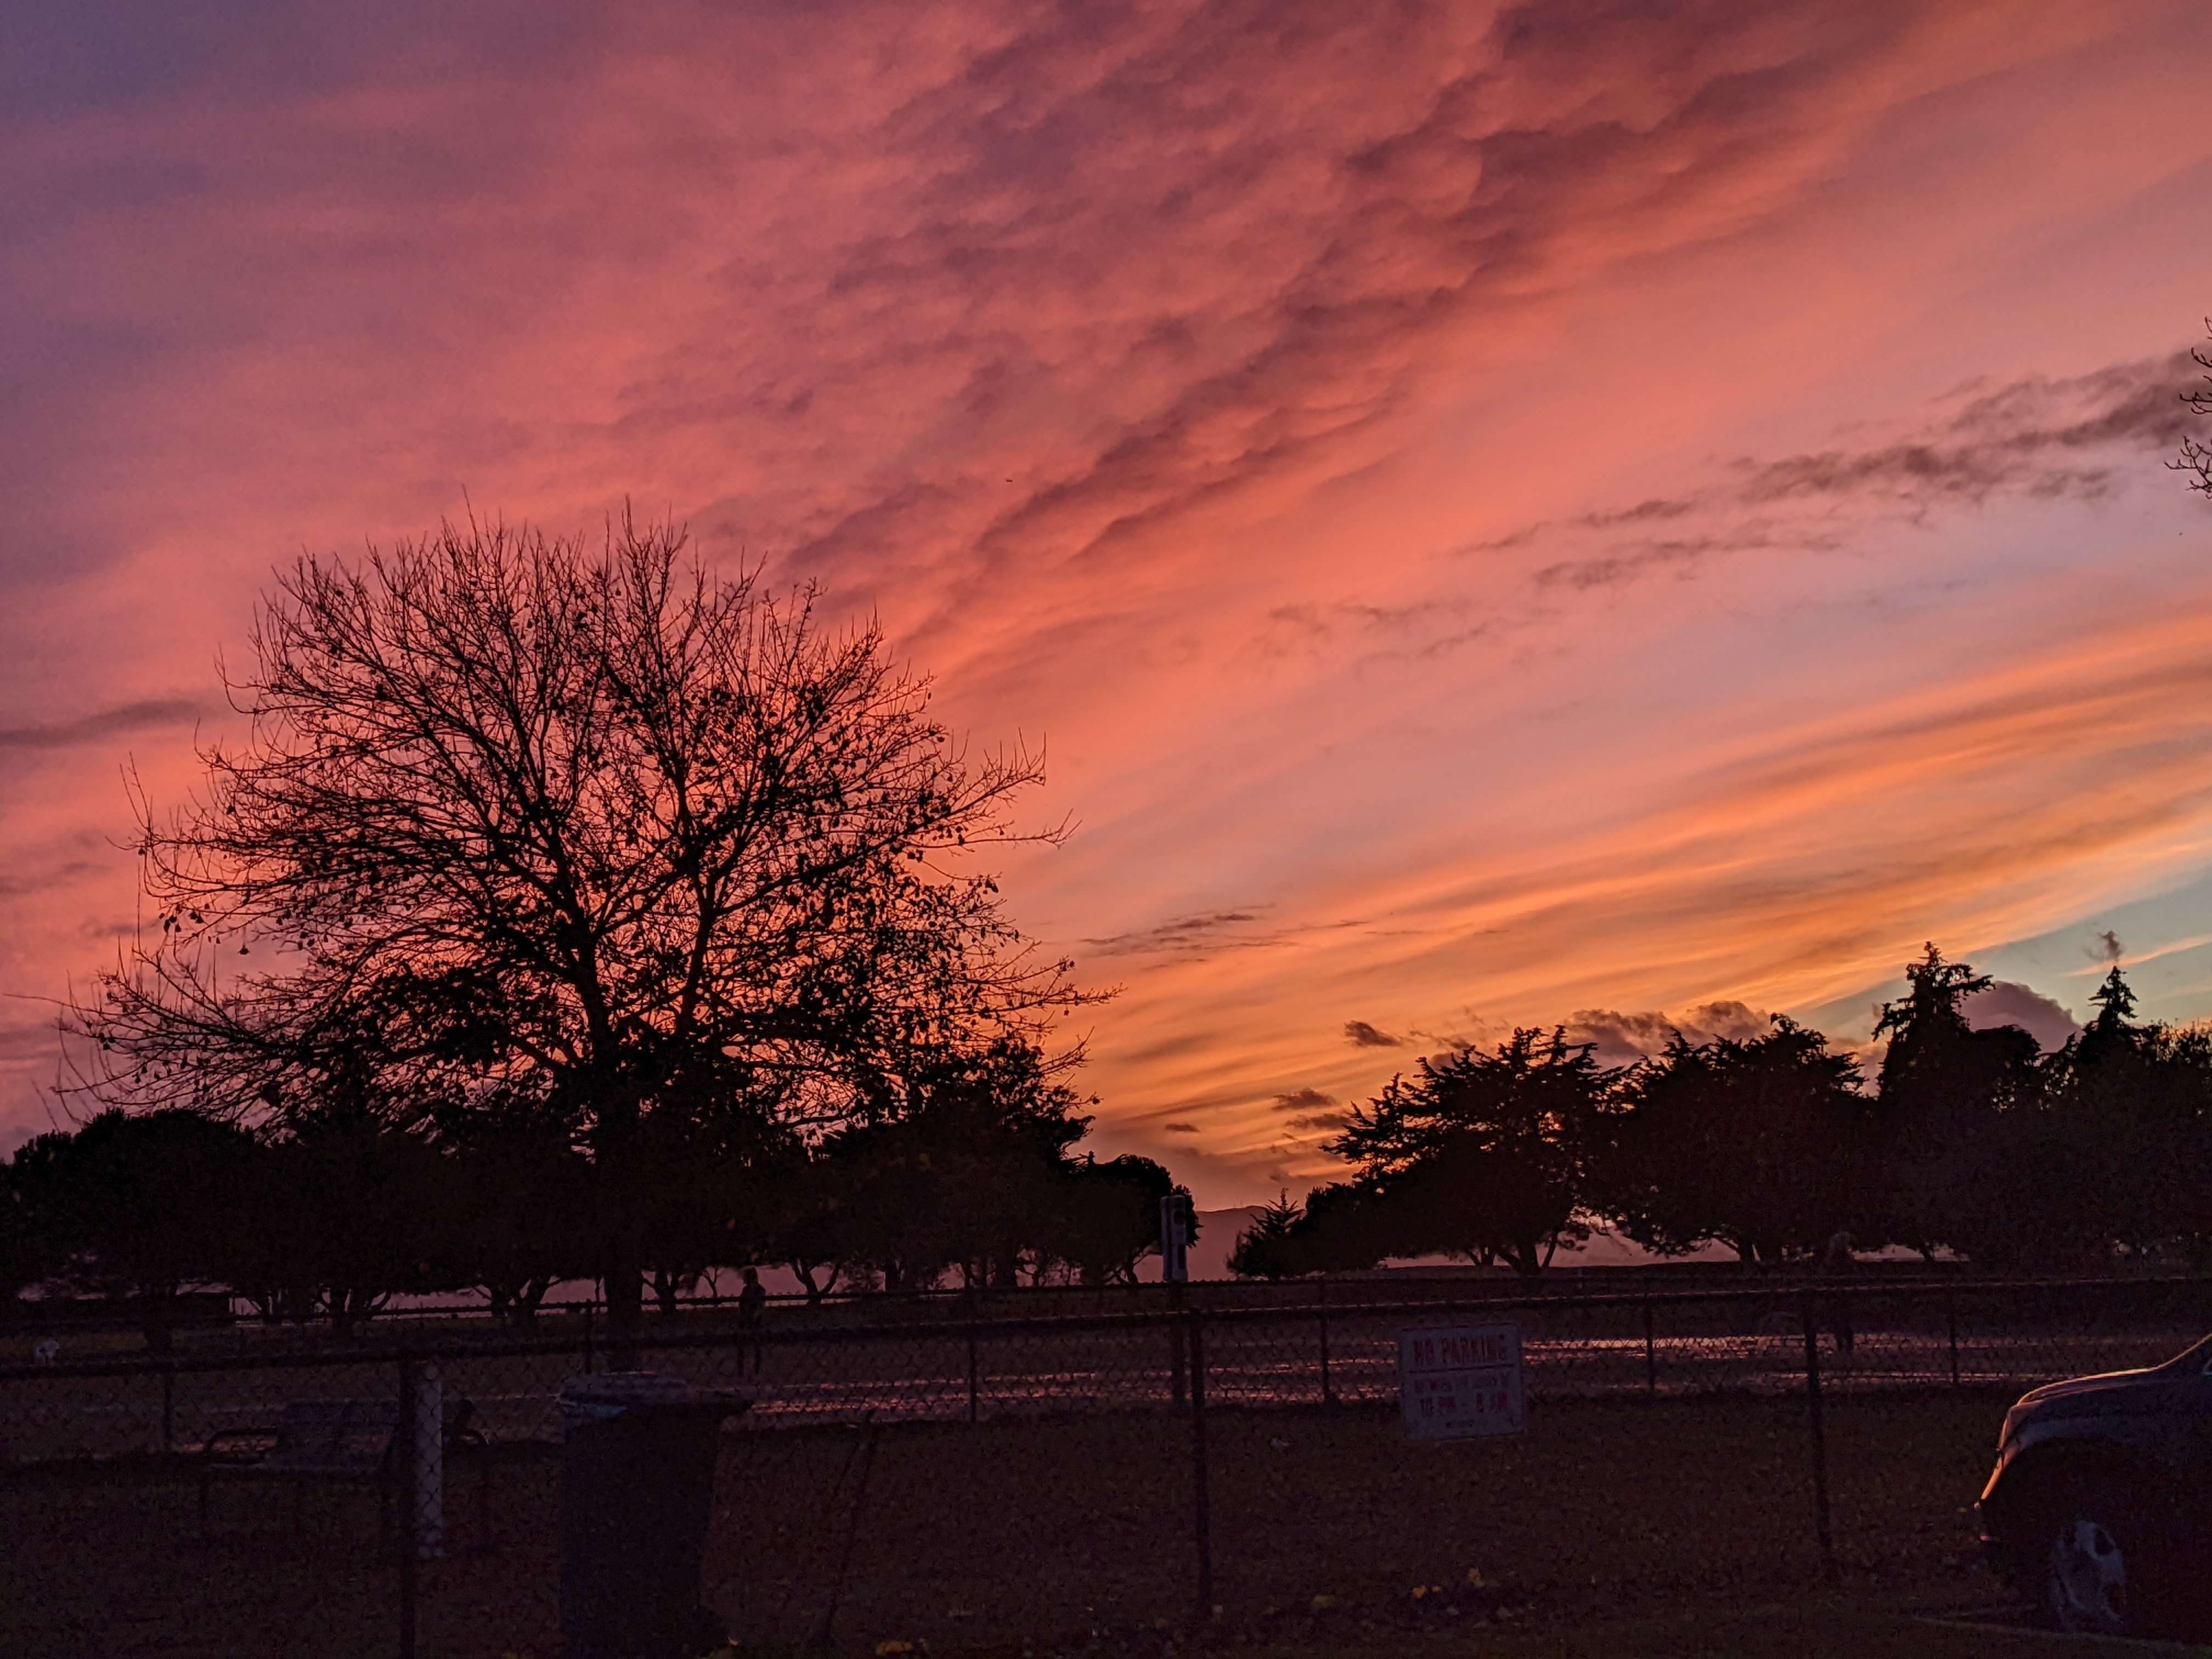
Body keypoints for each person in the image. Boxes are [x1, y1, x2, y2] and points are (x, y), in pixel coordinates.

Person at [1820, 1229, 1856, 1357]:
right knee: (1841, 1321)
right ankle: (1845, 1346)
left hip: (1839, 1294)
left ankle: (1845, 1345)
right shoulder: (1844, 1261)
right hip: (1839, 1294)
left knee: (1841, 1321)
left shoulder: (1835, 1261)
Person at [735, 1267, 768, 1375]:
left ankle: (756, 1368)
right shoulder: (746, 1290)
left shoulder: (760, 1290)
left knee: (757, 1346)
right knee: (742, 1346)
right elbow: (741, 1305)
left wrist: (754, 1316)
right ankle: (741, 1369)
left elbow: (760, 1306)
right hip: (745, 1320)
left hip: (756, 1321)